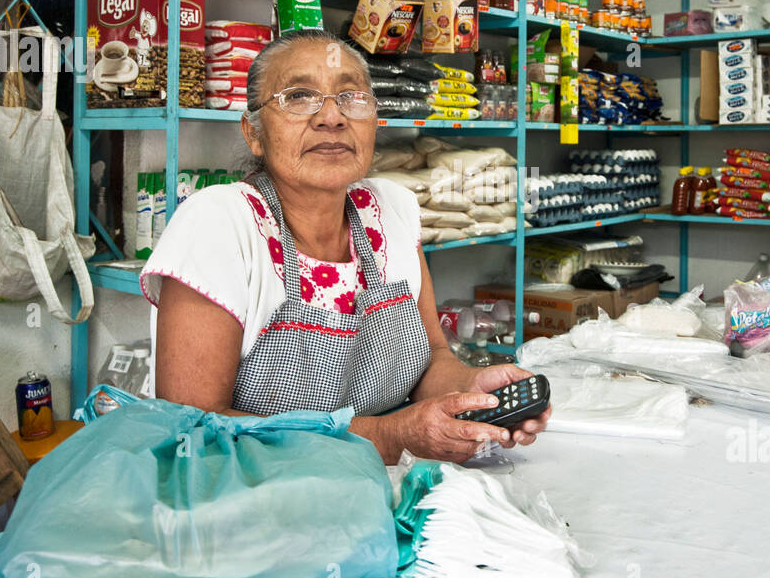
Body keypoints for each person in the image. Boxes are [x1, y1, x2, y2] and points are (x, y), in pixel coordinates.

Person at [140, 29, 550, 464]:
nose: (331, 118)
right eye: (299, 96)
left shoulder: (391, 209)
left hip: (378, 490)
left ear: (374, 121)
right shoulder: (220, 225)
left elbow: (432, 358)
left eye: (351, 98)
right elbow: (194, 427)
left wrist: (469, 390)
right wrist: (393, 436)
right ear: (253, 133)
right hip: (254, 500)